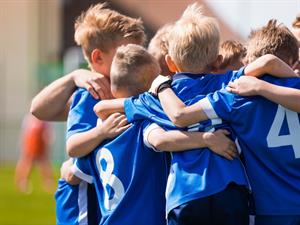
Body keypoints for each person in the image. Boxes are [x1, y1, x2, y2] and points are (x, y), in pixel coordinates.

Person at [100, 6, 299, 225]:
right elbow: (268, 61)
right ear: (217, 60)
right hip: (231, 188)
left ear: (170, 63)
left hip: (185, 193)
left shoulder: (155, 99)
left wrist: (157, 85)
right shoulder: (230, 85)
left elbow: (103, 108)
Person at [155, 20, 300, 225]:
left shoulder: (236, 93)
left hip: (269, 209)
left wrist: (161, 86)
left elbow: (181, 115)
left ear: (249, 61)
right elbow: (270, 62)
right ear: (294, 62)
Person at [50, 3, 146, 225]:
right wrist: (101, 131)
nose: (135, 62)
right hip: (80, 201)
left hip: (105, 195)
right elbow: (73, 146)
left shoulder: (128, 92)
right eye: (126, 55)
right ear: (98, 58)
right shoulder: (89, 95)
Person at [15, 113, 54, 193]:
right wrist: (23, 144)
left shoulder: (44, 120)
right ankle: (23, 181)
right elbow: (25, 133)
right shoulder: (29, 119)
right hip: (31, 143)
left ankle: (47, 182)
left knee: (43, 163)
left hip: (40, 143)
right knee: (28, 162)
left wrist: (47, 143)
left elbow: (47, 133)